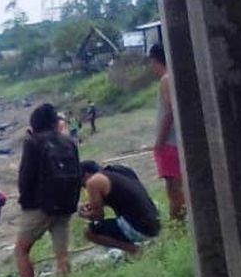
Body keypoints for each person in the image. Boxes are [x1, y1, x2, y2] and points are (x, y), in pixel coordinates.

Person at [15, 103, 82, 277]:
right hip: (66, 204)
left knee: (21, 249)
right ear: (55, 122)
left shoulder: (33, 142)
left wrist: (26, 203)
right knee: (61, 252)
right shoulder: (69, 142)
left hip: (40, 206)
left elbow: (25, 177)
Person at [79, 160, 162, 256]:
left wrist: (83, 214)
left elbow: (98, 216)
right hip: (156, 221)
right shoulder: (120, 171)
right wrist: (95, 203)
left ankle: (134, 250)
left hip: (140, 229)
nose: (85, 188)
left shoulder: (93, 182)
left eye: (82, 185)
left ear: (86, 175)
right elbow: (125, 196)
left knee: (89, 232)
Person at [148, 44, 187, 221]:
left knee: (173, 187)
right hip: (174, 141)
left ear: (157, 61)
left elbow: (170, 112)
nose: (151, 67)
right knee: (177, 184)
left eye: (151, 63)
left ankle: (178, 221)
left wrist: (160, 141)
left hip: (169, 143)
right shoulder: (175, 77)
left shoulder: (166, 79)